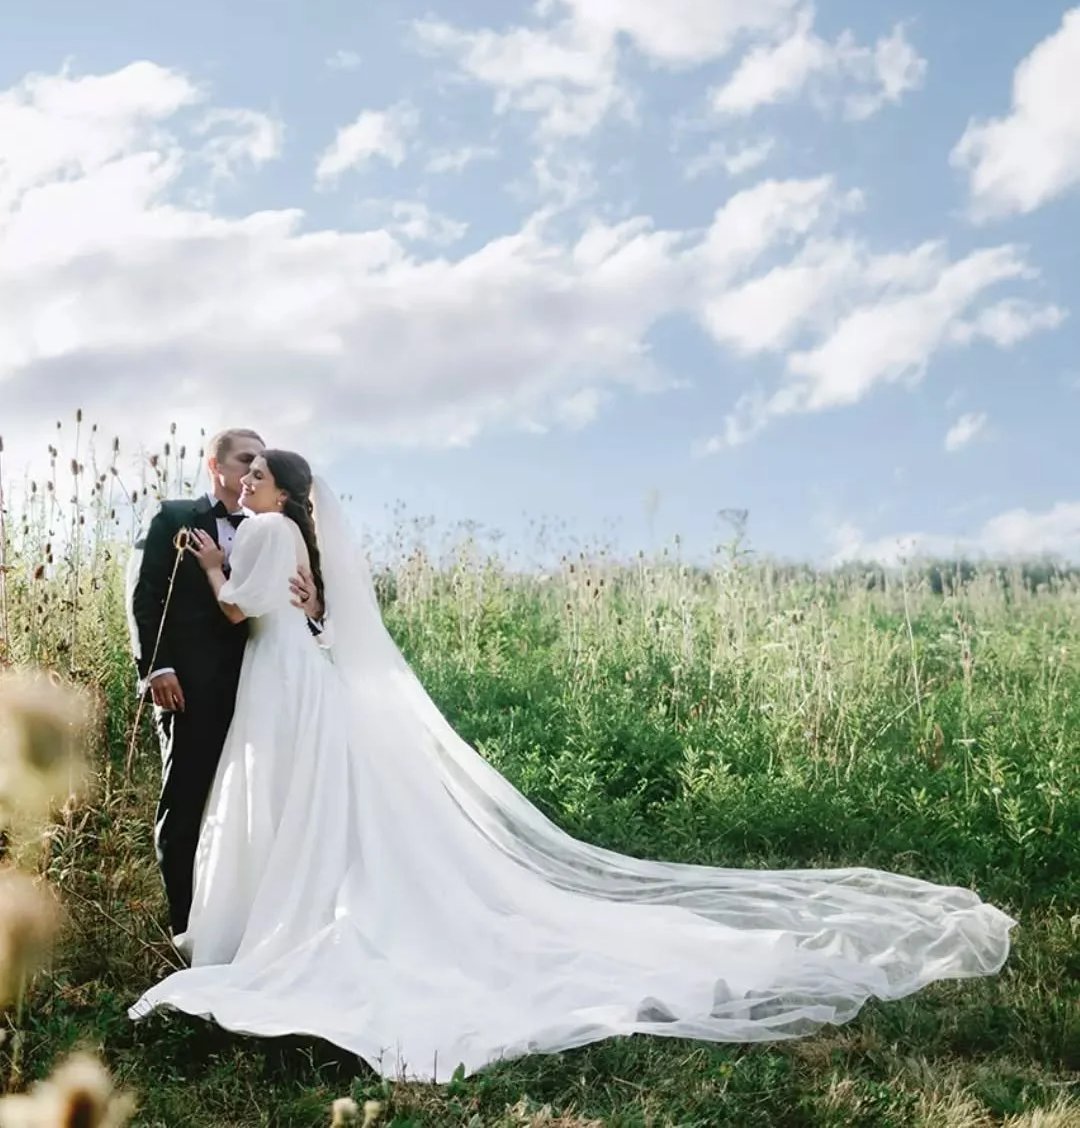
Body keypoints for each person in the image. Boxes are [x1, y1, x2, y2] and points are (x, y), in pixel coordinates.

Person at [130, 452, 1015, 1082]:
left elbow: (245, 607)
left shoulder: (265, 532)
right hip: (300, 682)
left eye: (259, 475)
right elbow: (306, 610)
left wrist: (214, 568)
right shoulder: (297, 536)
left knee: (283, 802)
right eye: (241, 475)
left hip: (281, 683)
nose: (248, 485)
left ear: (282, 489)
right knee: (306, 805)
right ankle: (289, 910)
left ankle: (266, 924)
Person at [129, 429, 324, 937]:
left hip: (262, 687)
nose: (251, 469)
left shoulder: (274, 527)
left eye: (260, 465)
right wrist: (156, 668)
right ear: (214, 466)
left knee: (254, 808)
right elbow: (145, 598)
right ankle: (185, 926)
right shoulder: (174, 517)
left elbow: (300, 600)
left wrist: (312, 604)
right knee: (189, 804)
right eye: (245, 460)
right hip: (191, 688)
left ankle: (247, 926)